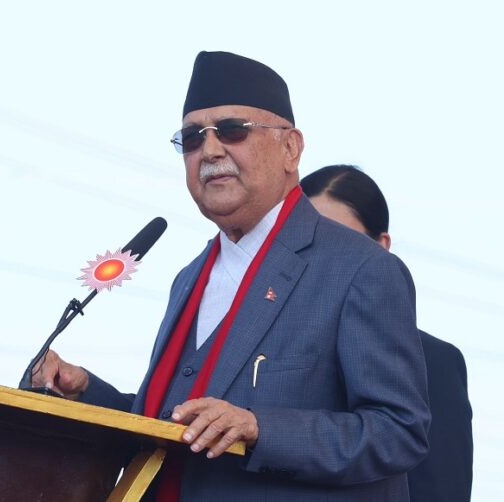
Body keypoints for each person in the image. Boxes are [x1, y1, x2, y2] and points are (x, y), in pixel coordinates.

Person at [33, 51, 430, 500]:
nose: (210, 150)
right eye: (192, 138)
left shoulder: (359, 268)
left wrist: (260, 429)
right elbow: (180, 427)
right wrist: (87, 392)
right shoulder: (190, 277)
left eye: (232, 130)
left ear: (291, 148)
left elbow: (398, 431)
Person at [301, 164, 473, 502]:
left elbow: (442, 489)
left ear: (381, 247)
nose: (320, 260)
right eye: (306, 243)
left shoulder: (432, 360)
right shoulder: (259, 350)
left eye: (341, 243)